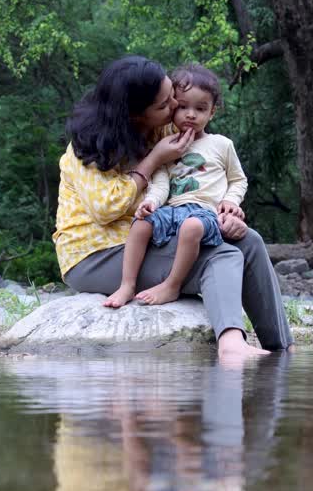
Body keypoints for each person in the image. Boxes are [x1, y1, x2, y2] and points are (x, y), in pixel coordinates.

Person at [53, 55, 292, 360]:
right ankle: (231, 343)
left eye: (173, 100)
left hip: (156, 235)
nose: (175, 109)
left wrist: (224, 212)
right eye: (167, 105)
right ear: (135, 114)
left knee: (249, 241)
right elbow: (106, 208)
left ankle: (282, 349)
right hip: (96, 256)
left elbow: (202, 177)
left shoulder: (161, 131)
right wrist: (153, 160)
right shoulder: (87, 147)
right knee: (221, 256)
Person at [103, 63, 245, 308]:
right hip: (172, 210)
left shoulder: (221, 144)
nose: (190, 114)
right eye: (183, 107)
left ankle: (172, 285)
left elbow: (238, 179)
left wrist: (231, 201)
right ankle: (127, 284)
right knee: (140, 225)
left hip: (203, 213)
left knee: (190, 228)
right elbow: (160, 183)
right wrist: (150, 203)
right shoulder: (167, 144)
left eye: (200, 109)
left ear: (212, 113)